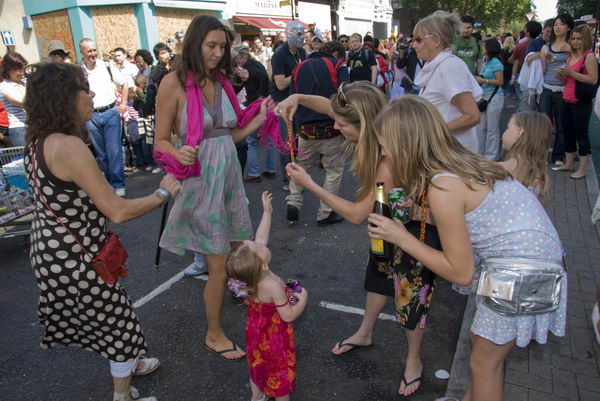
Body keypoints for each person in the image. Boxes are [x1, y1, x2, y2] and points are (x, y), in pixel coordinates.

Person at [368, 95, 566, 401]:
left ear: (406, 144)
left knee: (484, 363)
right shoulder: (459, 166)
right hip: (538, 263)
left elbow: (460, 273)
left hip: (519, 272)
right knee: (481, 344)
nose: (383, 152)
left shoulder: (442, 185)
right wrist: (419, 213)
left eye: (384, 144)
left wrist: (401, 236)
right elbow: (472, 215)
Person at [24, 61, 181, 401]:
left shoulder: (38, 141)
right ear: (64, 98)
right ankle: (122, 393)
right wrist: (163, 193)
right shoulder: (68, 146)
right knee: (118, 323)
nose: (93, 93)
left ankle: (129, 362)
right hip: (78, 258)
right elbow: (118, 210)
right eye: (85, 88)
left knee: (104, 315)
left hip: (52, 252)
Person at [276, 82, 441, 397]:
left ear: (363, 124)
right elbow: (329, 106)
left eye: (341, 123)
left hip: (415, 228)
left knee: (410, 299)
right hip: (387, 219)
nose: (334, 126)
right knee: (377, 275)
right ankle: (365, 333)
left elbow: (355, 214)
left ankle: (413, 361)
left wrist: (309, 184)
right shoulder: (373, 122)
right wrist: (297, 97)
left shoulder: (385, 159)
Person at [154, 15, 274, 360]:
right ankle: (214, 334)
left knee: (242, 255)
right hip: (199, 182)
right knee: (219, 267)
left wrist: (257, 122)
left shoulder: (221, 81)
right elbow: (160, 141)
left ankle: (254, 311)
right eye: (212, 45)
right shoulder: (173, 83)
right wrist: (178, 150)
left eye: (222, 46)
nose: (218, 52)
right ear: (195, 43)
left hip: (229, 180)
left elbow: (226, 137)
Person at [225, 191, 308, 401]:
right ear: (263, 264)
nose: (261, 243)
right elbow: (288, 315)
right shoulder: (271, 285)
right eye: (260, 248)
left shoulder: (250, 276)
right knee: (279, 371)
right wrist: (303, 298)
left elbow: (261, 237)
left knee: (258, 362)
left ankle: (257, 396)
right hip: (274, 336)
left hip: (255, 331)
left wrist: (267, 212)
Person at [286, 40, 349, 225]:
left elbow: (292, 100)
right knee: (333, 171)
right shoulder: (338, 65)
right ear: (337, 54)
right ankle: (325, 212)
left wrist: (295, 129)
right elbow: (346, 95)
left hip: (306, 130)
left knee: (301, 166)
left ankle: (294, 201)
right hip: (331, 129)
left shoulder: (299, 68)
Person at [412, 11, 482, 153]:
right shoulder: (439, 65)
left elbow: (472, 116)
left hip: (453, 154)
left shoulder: (449, 67)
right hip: (445, 151)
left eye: (418, 40)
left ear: (436, 40)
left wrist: (432, 133)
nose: (414, 45)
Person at [80, 38, 129, 196]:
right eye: (89, 51)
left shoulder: (106, 65)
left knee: (114, 150)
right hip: (91, 115)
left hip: (110, 112)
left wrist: (123, 103)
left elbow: (124, 84)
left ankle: (118, 184)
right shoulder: (79, 71)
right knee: (102, 154)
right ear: (82, 52)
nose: (93, 54)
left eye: (94, 50)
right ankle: (109, 184)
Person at [553, 23, 598, 179]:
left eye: (579, 39)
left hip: (580, 102)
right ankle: (568, 162)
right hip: (567, 99)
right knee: (568, 133)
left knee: (582, 135)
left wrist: (571, 72)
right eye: (573, 38)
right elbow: (569, 80)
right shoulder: (572, 56)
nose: (576, 42)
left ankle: (583, 169)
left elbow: (593, 79)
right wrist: (562, 75)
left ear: (585, 39)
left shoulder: (589, 56)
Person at [270, 21, 306, 189]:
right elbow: (280, 84)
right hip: (283, 102)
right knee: (287, 141)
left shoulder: (301, 51)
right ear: (290, 33)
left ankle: (297, 175)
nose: (302, 37)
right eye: (299, 34)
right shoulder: (279, 54)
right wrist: (299, 72)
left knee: (298, 140)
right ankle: (288, 179)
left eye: (303, 33)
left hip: (297, 100)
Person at [231, 45, 272, 183]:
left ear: (242, 56)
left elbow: (263, 77)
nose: (235, 62)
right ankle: (271, 169)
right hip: (266, 104)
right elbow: (261, 78)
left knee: (250, 140)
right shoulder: (257, 64)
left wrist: (262, 97)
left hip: (256, 106)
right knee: (269, 138)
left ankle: (254, 172)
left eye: (236, 58)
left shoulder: (248, 68)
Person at [539, 14, 574, 167]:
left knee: (561, 126)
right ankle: (541, 156)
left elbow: (577, 66)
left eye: (561, 24)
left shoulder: (572, 47)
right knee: (544, 124)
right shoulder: (546, 47)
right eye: (556, 24)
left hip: (563, 90)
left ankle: (558, 156)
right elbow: (543, 69)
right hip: (546, 89)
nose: (557, 27)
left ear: (569, 28)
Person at [499, 111, 552, 205]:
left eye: (508, 128)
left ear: (519, 132)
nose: (505, 132)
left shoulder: (496, 170)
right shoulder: (541, 182)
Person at [475, 39, 504, 160]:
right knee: (480, 127)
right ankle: (479, 154)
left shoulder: (496, 63)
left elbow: (500, 81)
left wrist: (483, 81)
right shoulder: (487, 62)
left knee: (492, 128)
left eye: (484, 46)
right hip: (485, 97)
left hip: (494, 97)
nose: (482, 48)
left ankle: (491, 156)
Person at [508, 20, 542, 111]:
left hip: (523, 78)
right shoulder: (544, 45)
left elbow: (512, 60)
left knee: (524, 105)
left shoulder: (521, 45)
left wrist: (513, 76)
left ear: (527, 31)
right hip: (540, 78)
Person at [0, 51, 27, 147]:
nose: (21, 72)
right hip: (19, 129)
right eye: (17, 69)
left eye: (22, 68)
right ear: (7, 70)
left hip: (33, 126)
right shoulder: (4, 86)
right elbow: (20, 101)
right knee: (24, 159)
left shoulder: (25, 82)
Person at [500, 36, 516, 101]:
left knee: (503, 84)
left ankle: (502, 99)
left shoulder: (502, 50)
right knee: (510, 85)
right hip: (511, 68)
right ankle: (509, 103)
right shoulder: (513, 50)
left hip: (503, 68)